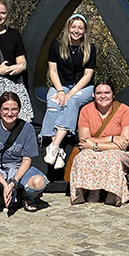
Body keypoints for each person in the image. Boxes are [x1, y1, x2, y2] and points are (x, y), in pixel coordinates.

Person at [0, 92, 49, 215]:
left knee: (38, 182)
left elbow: (26, 160)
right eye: (5, 109)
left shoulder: (27, 129)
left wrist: (13, 182)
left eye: (14, 109)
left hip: (18, 166)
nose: (9, 113)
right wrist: (5, 184)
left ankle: (27, 196)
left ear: (19, 110)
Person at [41, 13, 97, 170]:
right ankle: (57, 151)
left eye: (80, 28)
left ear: (85, 30)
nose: (76, 31)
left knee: (72, 102)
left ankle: (54, 146)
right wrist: (60, 91)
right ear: (68, 28)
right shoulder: (56, 45)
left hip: (83, 87)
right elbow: (52, 70)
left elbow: (88, 75)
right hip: (61, 85)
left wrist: (69, 94)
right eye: (73, 27)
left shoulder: (90, 49)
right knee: (53, 101)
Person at [68, 80, 129, 206]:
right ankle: (91, 191)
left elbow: (124, 142)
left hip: (118, 152)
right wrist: (112, 139)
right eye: (99, 93)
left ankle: (113, 193)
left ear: (113, 94)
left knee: (112, 157)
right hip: (97, 149)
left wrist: (94, 145)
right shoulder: (86, 110)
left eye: (107, 92)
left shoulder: (124, 110)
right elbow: (83, 140)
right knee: (82, 158)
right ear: (93, 95)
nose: (103, 96)